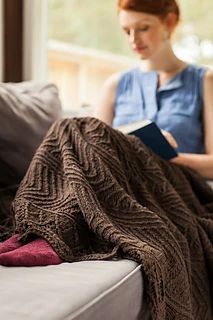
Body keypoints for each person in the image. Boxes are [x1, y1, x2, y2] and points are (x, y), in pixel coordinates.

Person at [94, 0, 213, 179]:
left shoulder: (205, 81)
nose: (133, 39)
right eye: (127, 31)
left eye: (143, 28)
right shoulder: (115, 85)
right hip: (120, 187)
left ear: (169, 22)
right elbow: (93, 153)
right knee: (68, 129)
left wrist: (163, 157)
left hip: (175, 192)